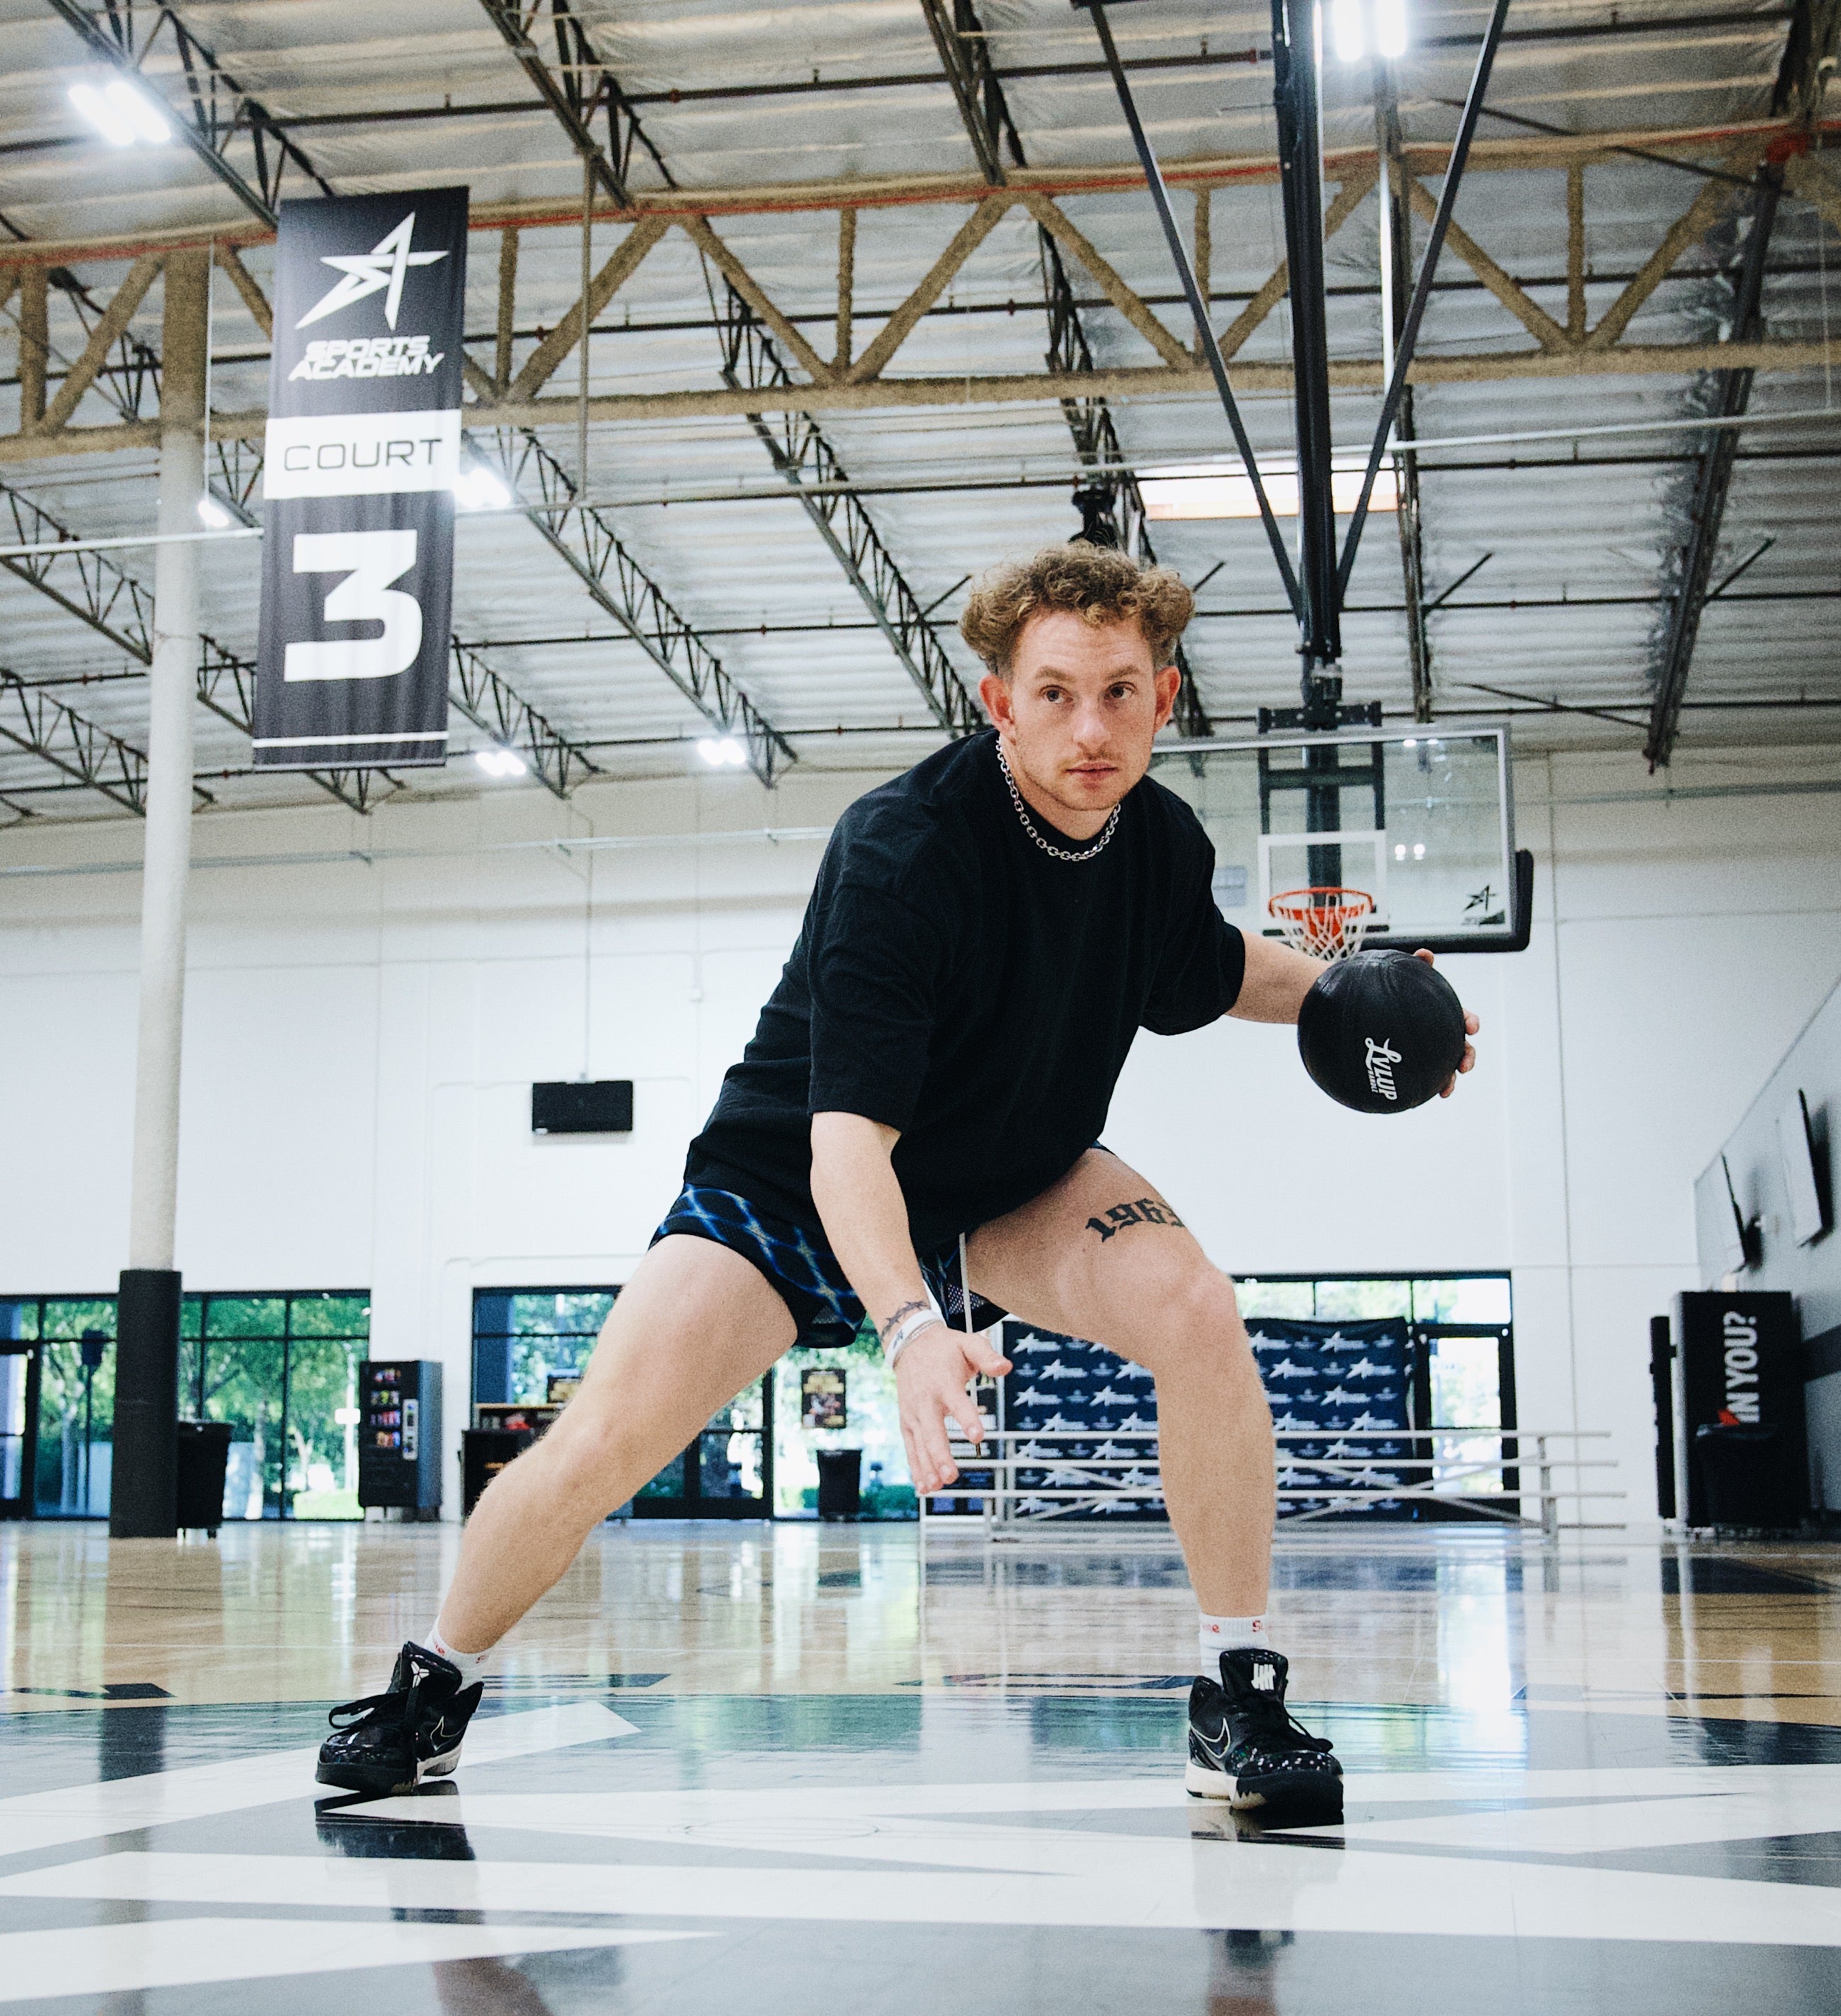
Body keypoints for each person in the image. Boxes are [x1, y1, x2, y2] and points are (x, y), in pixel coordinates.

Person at [320, 544, 1478, 1817]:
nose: (1090, 728)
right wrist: (910, 1328)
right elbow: (847, 1148)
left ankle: (1236, 1696)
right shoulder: (903, 852)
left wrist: (1372, 1005)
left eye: (1118, 692)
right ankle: (433, 1684)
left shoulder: (1156, 842)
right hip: (792, 1180)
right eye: (1053, 694)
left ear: (1165, 695)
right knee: (608, 1438)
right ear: (998, 703)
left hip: (1012, 1179)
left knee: (1198, 1314)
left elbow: (1215, 967)